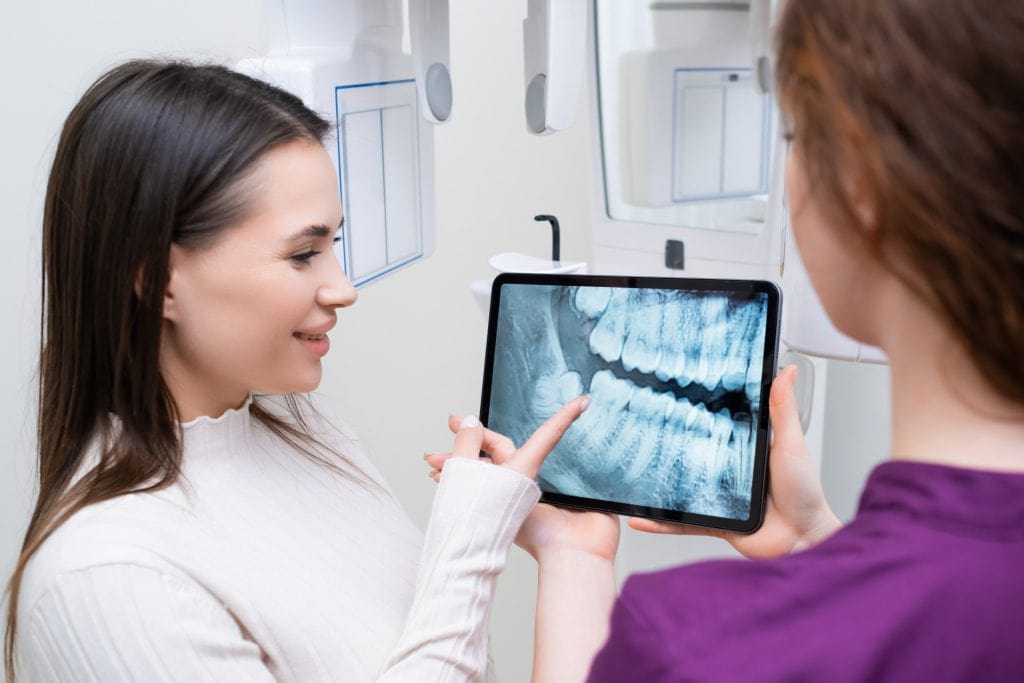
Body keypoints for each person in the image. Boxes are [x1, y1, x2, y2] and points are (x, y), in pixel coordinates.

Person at [4, 60, 590, 682]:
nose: (342, 289)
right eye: (303, 254)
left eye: (334, 245)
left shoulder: (311, 437)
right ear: (154, 280)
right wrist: (466, 545)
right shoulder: (108, 579)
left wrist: (573, 555)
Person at [508, 0, 1024, 680]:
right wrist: (820, 545)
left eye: (793, 138)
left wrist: (574, 556)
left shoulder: (695, 645)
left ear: (861, 184)